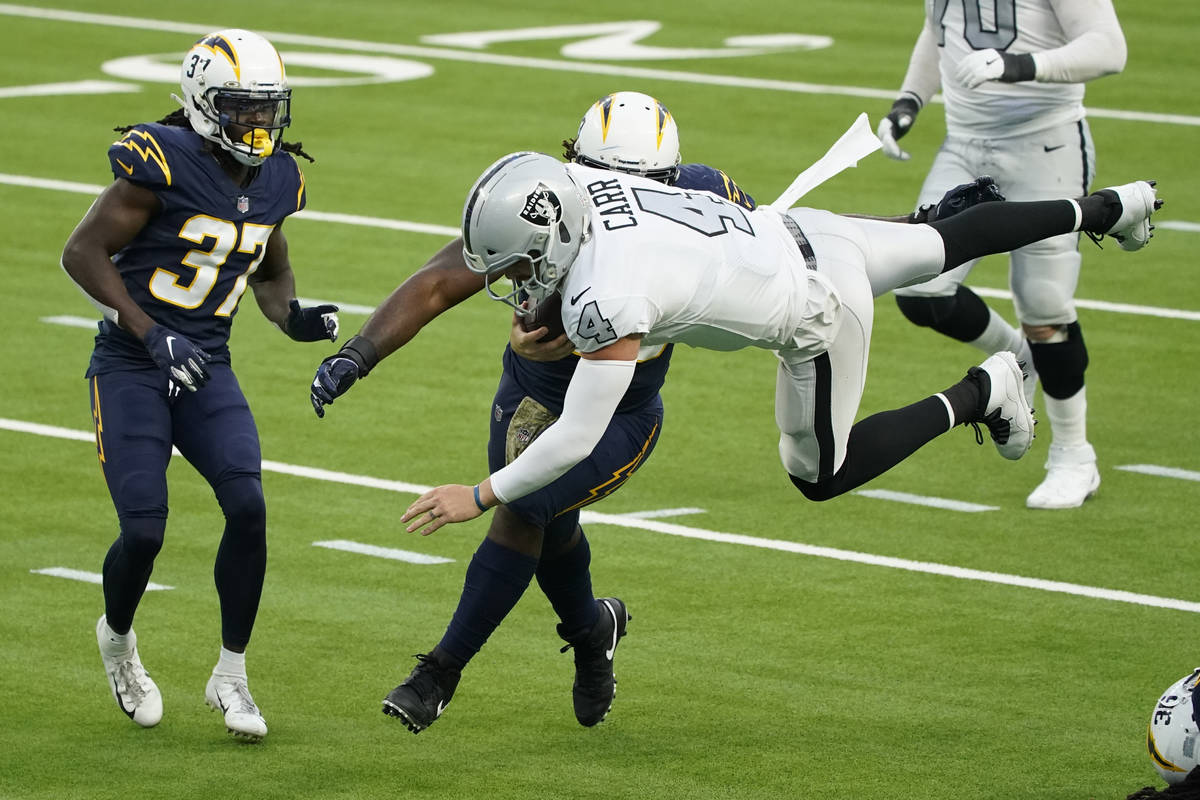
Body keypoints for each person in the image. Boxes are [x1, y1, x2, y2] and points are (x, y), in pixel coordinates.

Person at [400, 153, 1157, 544]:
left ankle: (982, 393)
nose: (518, 281)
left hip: (817, 310)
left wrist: (479, 496)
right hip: (809, 229)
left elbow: (575, 436)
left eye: (523, 263)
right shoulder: (584, 186)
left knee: (818, 473)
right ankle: (1109, 206)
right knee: (942, 238)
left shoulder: (607, 297)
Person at [310, 92, 760, 733]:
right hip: (532, 394)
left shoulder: (706, 199)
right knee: (549, 524)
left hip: (620, 413)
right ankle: (592, 632)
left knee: (526, 506)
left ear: (671, 182)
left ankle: (439, 672)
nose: (618, 198)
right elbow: (443, 277)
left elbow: (777, 253)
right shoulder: (546, 200)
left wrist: (913, 233)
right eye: (602, 182)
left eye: (636, 185)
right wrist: (360, 353)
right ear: (575, 167)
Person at [60, 29, 338, 741]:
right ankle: (118, 640)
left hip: (206, 366)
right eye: (245, 109)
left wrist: (291, 318)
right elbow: (82, 250)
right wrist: (151, 333)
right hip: (132, 365)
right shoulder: (161, 160)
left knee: (248, 505)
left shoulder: (277, 178)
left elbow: (270, 270)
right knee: (144, 529)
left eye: (268, 110)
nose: (260, 125)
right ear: (205, 104)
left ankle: (231, 676)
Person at [875, 0, 1129, 509]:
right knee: (920, 285)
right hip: (965, 146)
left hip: (1046, 142)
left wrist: (1020, 66)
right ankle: (1020, 359)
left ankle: (1074, 457)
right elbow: (939, 30)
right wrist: (909, 100)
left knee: (1044, 304)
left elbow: (1109, 48)